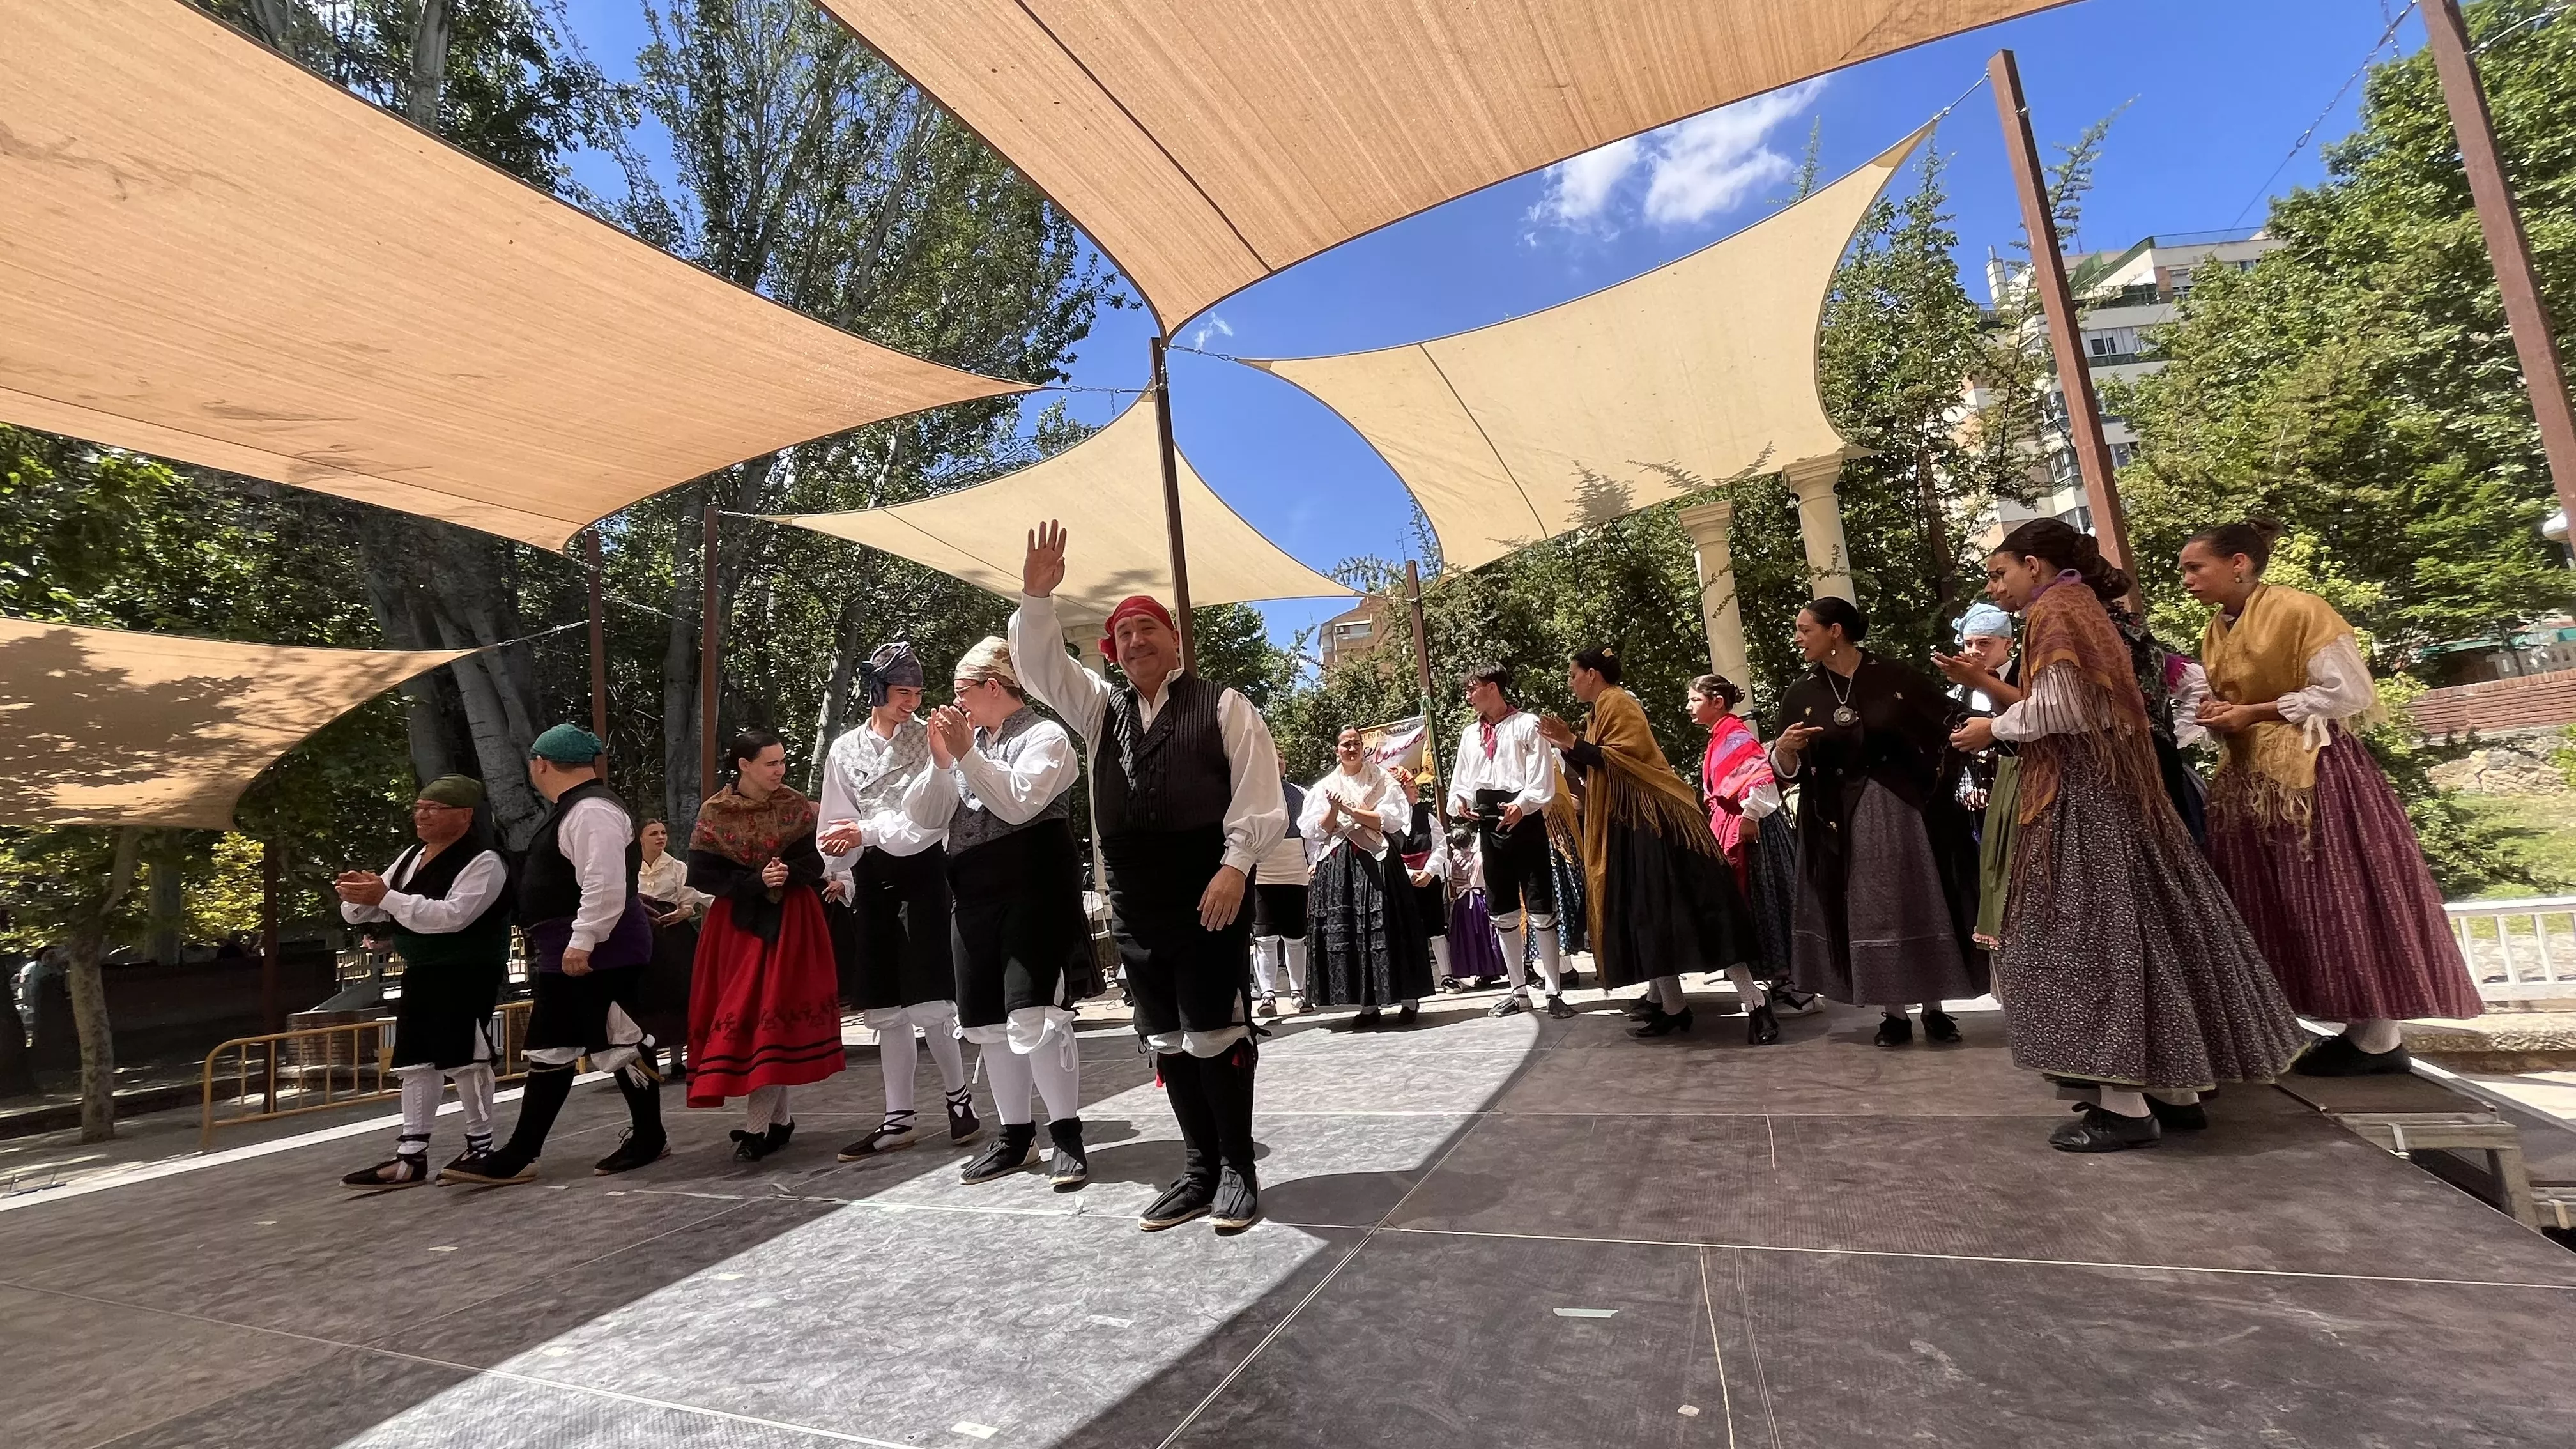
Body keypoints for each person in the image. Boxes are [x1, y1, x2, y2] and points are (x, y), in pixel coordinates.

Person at [1951, 520, 2304, 1151]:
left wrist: (1994, 728)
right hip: (2118, 794)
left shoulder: (2056, 610)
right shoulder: (2082, 604)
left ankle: (2125, 1104)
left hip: (2082, 797)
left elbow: (2067, 708)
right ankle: (2177, 1092)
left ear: (2033, 565)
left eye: (1998, 572)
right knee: (2150, 932)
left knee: (2078, 941)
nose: (1993, 585)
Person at [1009, 521, 1288, 1233]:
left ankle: (1237, 1170)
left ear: (1174, 641)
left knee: (1216, 1029)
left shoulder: (1224, 705)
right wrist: (1036, 598)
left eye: (1147, 630)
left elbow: (1260, 796)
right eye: (1123, 636)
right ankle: (1198, 1172)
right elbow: (1043, 671)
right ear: (1113, 652)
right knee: (1166, 1036)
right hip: (1136, 898)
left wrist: (1234, 868)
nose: (1135, 643)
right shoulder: (1099, 711)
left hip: (1209, 889)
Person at [2182, 520, 2483, 1073]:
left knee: (2340, 890)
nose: (2187, 579)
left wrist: (2257, 710)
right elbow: (2230, 695)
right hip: (2252, 774)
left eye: (2195, 567)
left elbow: (2348, 692)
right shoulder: (2216, 628)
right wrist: (2220, 714)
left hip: (2316, 772)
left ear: (2239, 563)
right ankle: (2346, 1028)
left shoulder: (2300, 609)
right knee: (2284, 899)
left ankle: (2376, 1037)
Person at [897, 638, 1092, 1188]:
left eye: (961, 692)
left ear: (991, 686)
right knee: (987, 1024)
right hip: (973, 892)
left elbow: (1018, 802)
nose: (953, 704)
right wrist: (941, 763)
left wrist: (965, 756)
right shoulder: (968, 746)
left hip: (1033, 888)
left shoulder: (1046, 736)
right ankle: (1015, 1136)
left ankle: (1067, 1134)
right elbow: (924, 820)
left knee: (1036, 1016)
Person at [445, 726, 664, 1184]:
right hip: (568, 948)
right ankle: (523, 1153)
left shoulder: (591, 811)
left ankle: (648, 1137)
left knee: (622, 1041)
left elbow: (603, 883)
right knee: (552, 1049)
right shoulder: (578, 808)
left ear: (540, 763)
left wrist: (583, 940)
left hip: (599, 950)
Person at [1773, 599, 1988, 1045]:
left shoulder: (1896, 678)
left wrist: (1940, 778)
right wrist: (1787, 750)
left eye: (1804, 629)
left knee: (1920, 901)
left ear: (1835, 631)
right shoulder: (1801, 694)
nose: (1797, 637)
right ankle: (1893, 1014)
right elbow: (1784, 770)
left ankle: (1935, 1009)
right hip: (1839, 821)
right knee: (1870, 912)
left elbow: (1950, 726)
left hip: (1908, 813)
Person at [1538, 647, 1775, 1044]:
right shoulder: (1596, 712)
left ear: (1593, 674)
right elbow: (1599, 769)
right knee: (1646, 918)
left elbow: (1629, 763)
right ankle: (1673, 1009)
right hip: (1627, 826)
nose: (1570, 681)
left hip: (1658, 826)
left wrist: (1572, 743)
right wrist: (1569, 745)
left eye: (1573, 674)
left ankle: (1756, 1003)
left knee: (1699, 912)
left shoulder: (1619, 703)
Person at [819, 643, 979, 1157]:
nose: (910, 701)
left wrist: (862, 832)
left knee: (930, 1001)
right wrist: (838, 868)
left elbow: (929, 820)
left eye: (916, 692)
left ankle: (960, 1103)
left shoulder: (932, 741)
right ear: (877, 691)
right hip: (871, 878)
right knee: (886, 1007)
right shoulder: (845, 748)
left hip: (922, 872)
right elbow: (832, 820)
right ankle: (898, 1117)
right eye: (901, 692)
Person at [336, 775, 510, 1188]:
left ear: (465, 815)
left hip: (466, 969)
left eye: (434, 808)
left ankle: (480, 1147)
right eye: (419, 807)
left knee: (467, 1059)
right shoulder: (412, 854)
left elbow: (452, 917)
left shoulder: (485, 860)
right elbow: (380, 904)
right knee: (415, 1061)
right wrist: (358, 897)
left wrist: (383, 898)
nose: (422, 815)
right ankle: (410, 1156)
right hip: (423, 970)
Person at [686, 727, 842, 1160]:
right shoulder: (715, 812)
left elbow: (816, 858)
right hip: (738, 927)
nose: (781, 769)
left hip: (792, 922)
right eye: (771, 763)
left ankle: (758, 1129)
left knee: (773, 1019)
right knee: (756, 1018)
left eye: (782, 761)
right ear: (744, 766)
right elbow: (702, 874)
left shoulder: (796, 806)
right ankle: (778, 1122)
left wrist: (789, 873)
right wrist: (756, 881)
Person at [1446, 664, 1573, 1019]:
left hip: (1525, 820)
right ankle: (1518, 991)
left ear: (1492, 687)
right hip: (1488, 823)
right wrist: (1460, 801)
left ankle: (1553, 990)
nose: (1468, 695)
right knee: (1501, 907)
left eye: (1472, 688)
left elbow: (1541, 777)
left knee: (1540, 904)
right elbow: (1461, 781)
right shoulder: (1471, 734)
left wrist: (1523, 804)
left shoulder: (1527, 725)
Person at [1303, 727, 1434, 1026]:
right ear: (1337, 750)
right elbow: (1316, 829)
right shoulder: (1325, 786)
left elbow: (1390, 819)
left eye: (1356, 744)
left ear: (1363, 747)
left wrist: (1351, 810)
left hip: (1378, 860)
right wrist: (1336, 810)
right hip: (1342, 865)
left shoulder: (1382, 779)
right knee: (1353, 931)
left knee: (1388, 924)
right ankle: (1367, 1005)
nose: (1351, 749)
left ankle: (1408, 1000)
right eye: (1345, 744)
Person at [1688, 675, 1803, 1009]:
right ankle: (1784, 985)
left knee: (1768, 900)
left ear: (1717, 702)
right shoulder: (1721, 736)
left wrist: (1750, 815)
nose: (1689, 707)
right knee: (1758, 902)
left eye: (1695, 700)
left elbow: (1760, 778)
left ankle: (1795, 988)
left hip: (1751, 831)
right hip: (1733, 824)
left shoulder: (1734, 735)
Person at [1934, 605, 2024, 951]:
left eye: (1984, 643)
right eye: (1968, 642)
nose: (1974, 651)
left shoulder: (2023, 677)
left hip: (2022, 787)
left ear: (2008, 644)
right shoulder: (1958, 692)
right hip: (1970, 803)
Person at [634, 818, 708, 1072]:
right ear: (640, 838)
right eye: (653, 833)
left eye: (663, 833)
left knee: (679, 994)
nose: (660, 837)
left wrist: (682, 912)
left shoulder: (677, 867)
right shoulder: (630, 868)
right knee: (646, 996)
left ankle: (678, 1060)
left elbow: (689, 902)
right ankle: (646, 1057)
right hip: (643, 938)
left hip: (674, 937)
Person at [1249, 774, 1313, 1016]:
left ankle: (1299, 994)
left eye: (1282, 757)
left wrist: (1313, 861)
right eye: (1273, 756)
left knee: (1296, 937)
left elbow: (1310, 832)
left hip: (1296, 871)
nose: (1277, 762)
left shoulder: (1301, 793)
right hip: (1262, 872)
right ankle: (1268, 996)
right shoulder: (1250, 792)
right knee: (1264, 937)